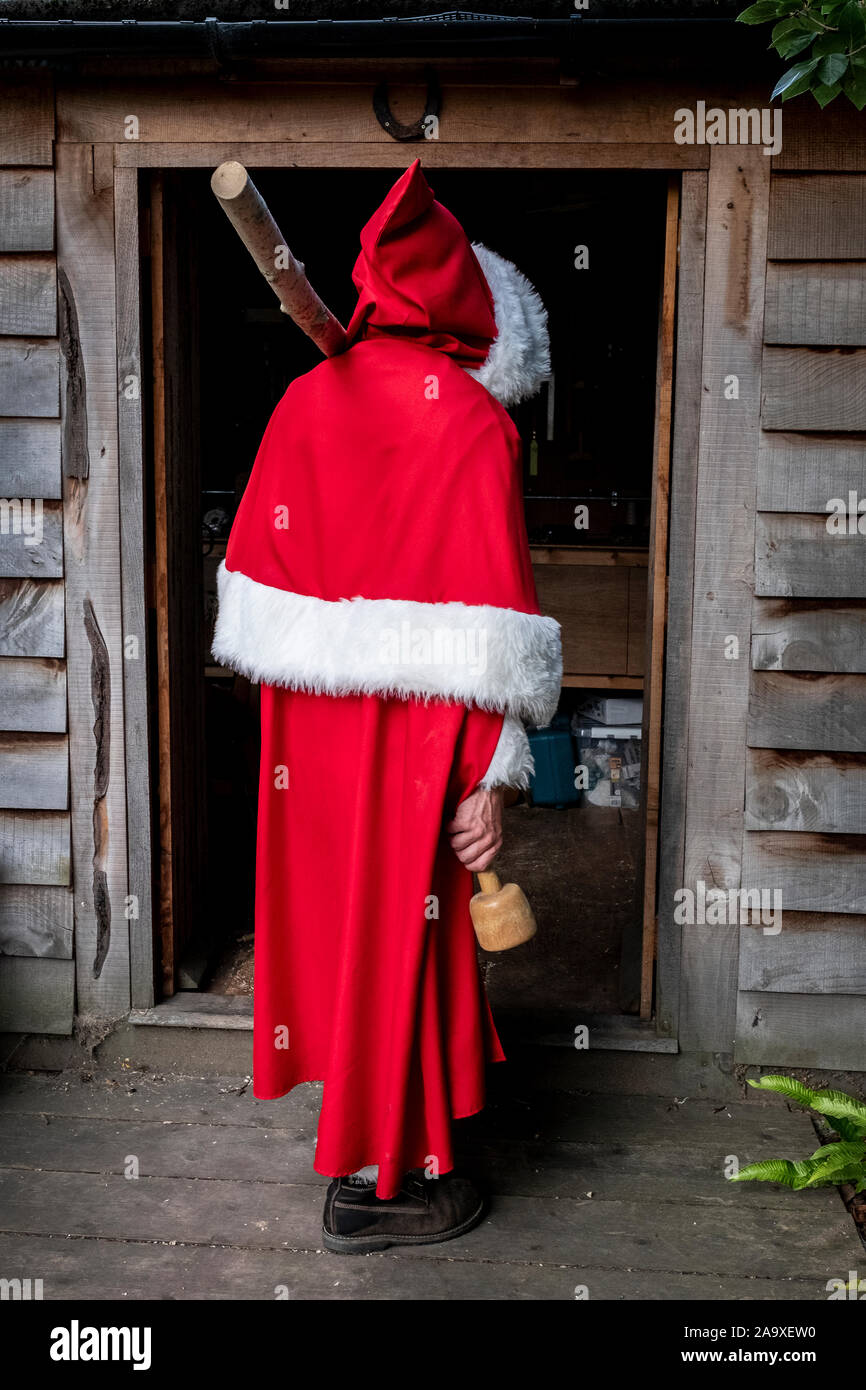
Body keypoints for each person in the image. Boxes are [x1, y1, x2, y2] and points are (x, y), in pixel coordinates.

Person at [212, 158, 561, 1254]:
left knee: (343, 924)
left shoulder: (304, 398)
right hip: (416, 735)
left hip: (306, 736)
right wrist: (487, 775)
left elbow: (264, 590)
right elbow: (491, 632)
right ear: (465, 309)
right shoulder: (469, 422)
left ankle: (374, 1148)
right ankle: (381, 1182)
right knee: (404, 944)